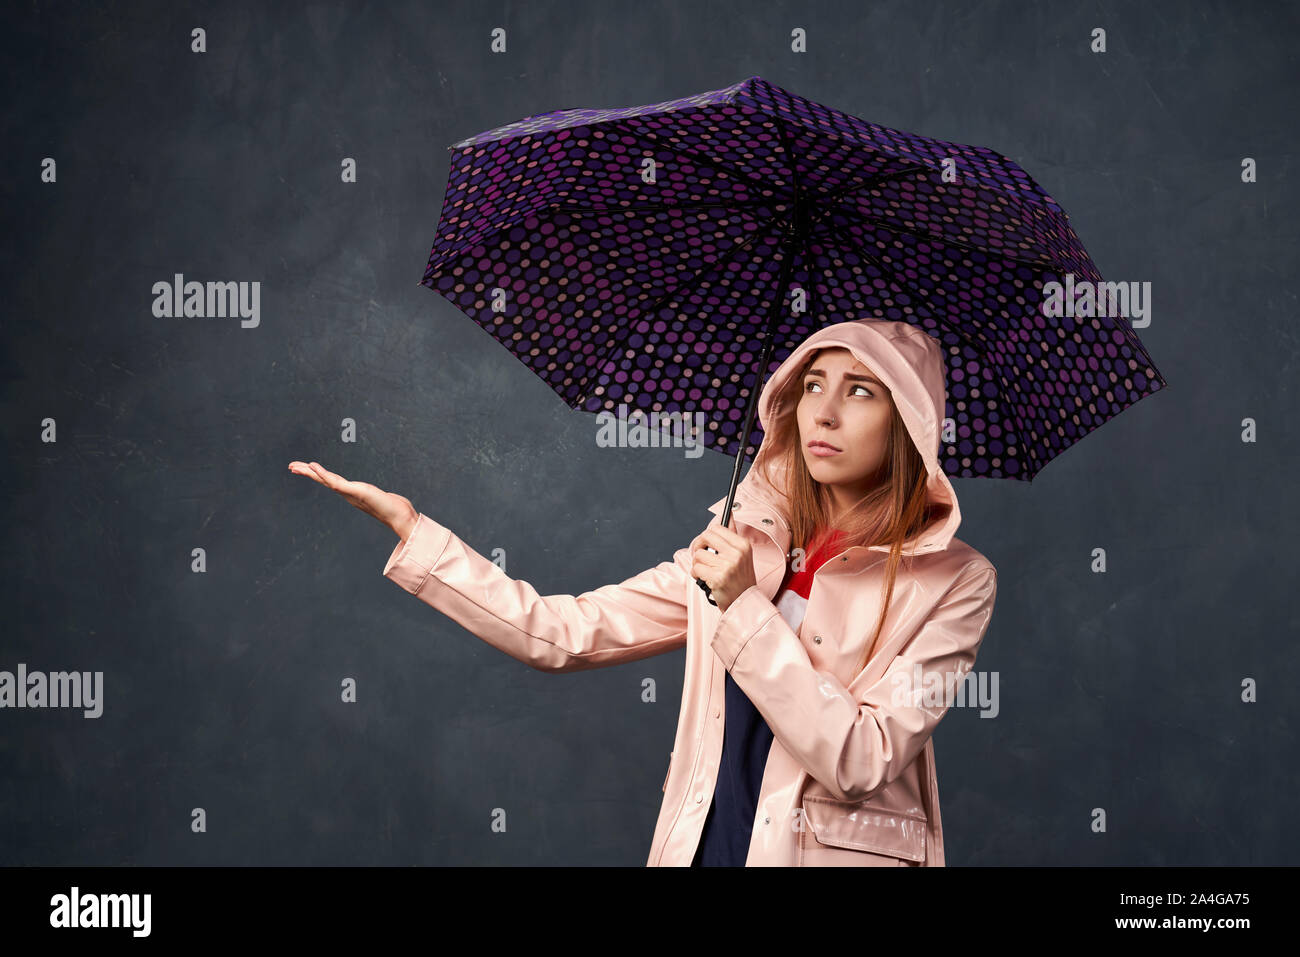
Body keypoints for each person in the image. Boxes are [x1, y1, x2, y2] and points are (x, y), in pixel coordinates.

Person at [289, 317, 998, 866]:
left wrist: (743, 606)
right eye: (812, 384)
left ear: (907, 424)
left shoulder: (955, 580)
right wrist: (418, 535)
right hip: (704, 845)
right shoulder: (740, 542)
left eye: (860, 391)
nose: (825, 412)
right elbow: (563, 632)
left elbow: (858, 758)